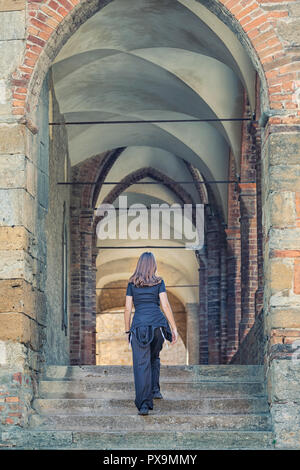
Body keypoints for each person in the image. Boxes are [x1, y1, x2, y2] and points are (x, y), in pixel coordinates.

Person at [124, 251, 178, 416]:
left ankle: (144, 405)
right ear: (153, 265)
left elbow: (127, 309)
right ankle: (155, 390)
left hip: (139, 326)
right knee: (154, 357)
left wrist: (127, 330)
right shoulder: (159, 282)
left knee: (141, 364)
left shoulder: (132, 284)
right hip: (157, 326)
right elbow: (165, 305)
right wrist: (173, 328)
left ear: (139, 265)